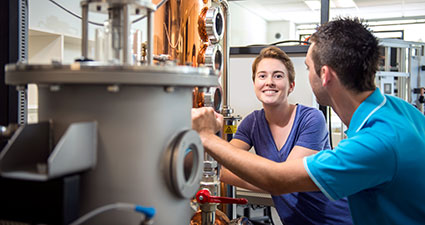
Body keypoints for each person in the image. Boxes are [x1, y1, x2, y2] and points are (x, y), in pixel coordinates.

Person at [192, 17, 425, 225]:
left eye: (308, 68)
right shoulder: (401, 110)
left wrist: (205, 136)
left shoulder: (373, 142)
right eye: (262, 76)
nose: (269, 82)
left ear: (324, 75)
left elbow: (279, 179)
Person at [220, 46, 351, 224]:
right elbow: (224, 160)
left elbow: (284, 181)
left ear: (291, 86)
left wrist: (219, 173)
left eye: (278, 75)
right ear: (255, 84)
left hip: (336, 219)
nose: (269, 82)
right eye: (262, 76)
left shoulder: (311, 119)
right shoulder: (252, 123)